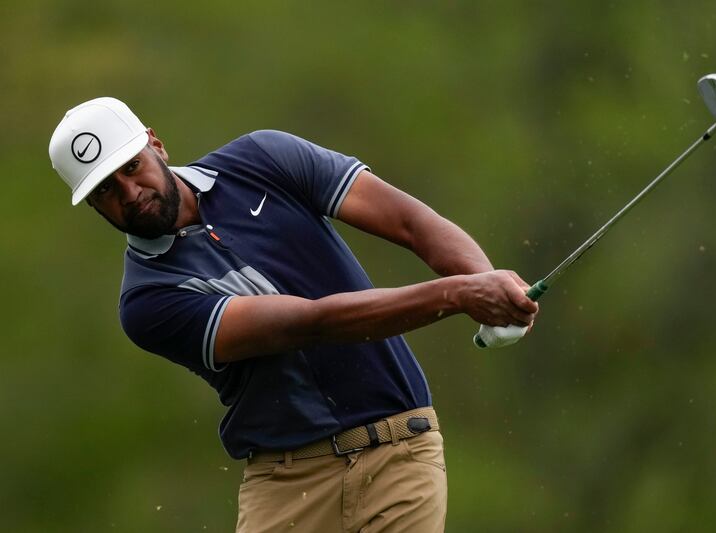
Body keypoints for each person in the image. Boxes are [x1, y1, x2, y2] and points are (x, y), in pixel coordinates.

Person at [48, 97, 539, 533]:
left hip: (400, 455)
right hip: (286, 487)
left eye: (132, 168)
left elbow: (410, 223)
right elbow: (310, 324)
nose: (129, 194)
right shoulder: (147, 302)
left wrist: (491, 289)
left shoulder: (263, 159)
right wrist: (460, 295)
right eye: (106, 191)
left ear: (156, 144)